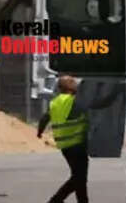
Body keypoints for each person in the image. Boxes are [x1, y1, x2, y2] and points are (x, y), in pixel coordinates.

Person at [38, 75, 90, 203]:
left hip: (65, 146)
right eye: (73, 82)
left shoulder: (55, 102)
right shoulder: (73, 101)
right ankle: (55, 200)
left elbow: (44, 118)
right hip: (77, 144)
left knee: (79, 177)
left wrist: (39, 132)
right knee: (79, 177)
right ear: (70, 86)